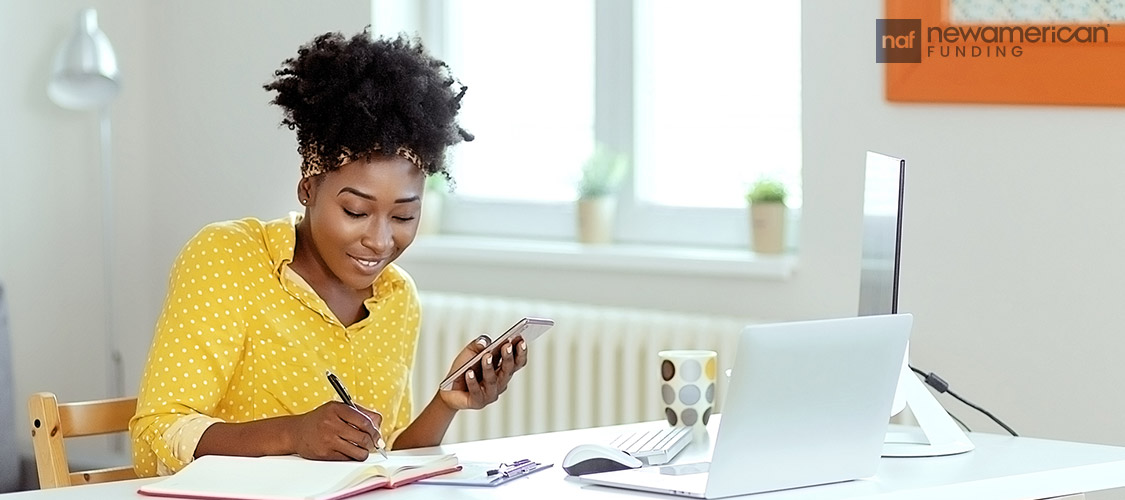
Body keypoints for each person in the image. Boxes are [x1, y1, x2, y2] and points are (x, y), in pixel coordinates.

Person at [129, 30, 526, 477]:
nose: (379, 240)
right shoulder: (229, 258)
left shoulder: (396, 298)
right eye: (356, 210)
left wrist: (447, 402)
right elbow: (156, 435)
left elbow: (382, 462)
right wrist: (292, 434)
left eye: (402, 217)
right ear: (308, 188)